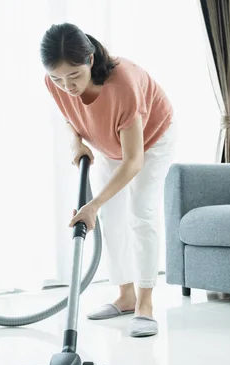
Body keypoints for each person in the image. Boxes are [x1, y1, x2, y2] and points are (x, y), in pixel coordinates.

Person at [40, 23, 176, 337]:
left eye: (74, 76)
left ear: (89, 60)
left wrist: (92, 204)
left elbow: (134, 161)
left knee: (140, 214)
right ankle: (125, 296)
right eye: (58, 79)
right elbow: (68, 113)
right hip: (108, 142)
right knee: (110, 218)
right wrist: (76, 143)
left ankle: (145, 303)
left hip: (150, 142)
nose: (67, 86)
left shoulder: (123, 84)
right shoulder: (55, 81)